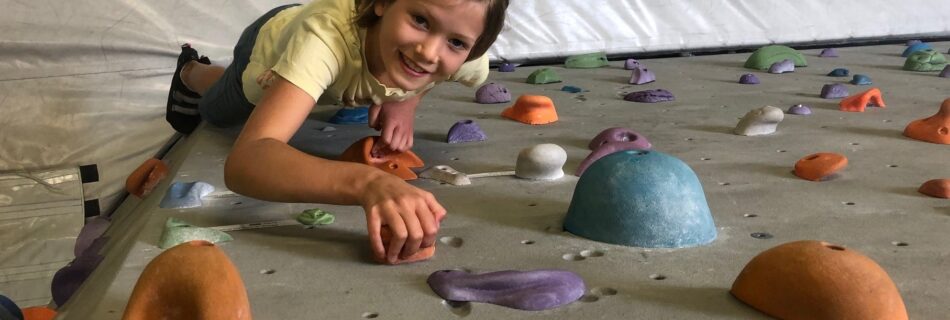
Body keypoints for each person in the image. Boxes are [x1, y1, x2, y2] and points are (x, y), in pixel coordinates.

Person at [164, 0, 508, 264]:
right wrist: (368, 183)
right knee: (222, 107)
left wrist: (405, 101)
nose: (429, 52)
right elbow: (246, 161)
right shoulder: (322, 39)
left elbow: (438, 67)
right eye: (420, 20)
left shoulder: (467, 59)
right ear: (383, 2)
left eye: (456, 43)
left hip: (335, 71)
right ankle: (192, 71)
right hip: (271, 47)